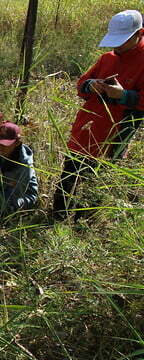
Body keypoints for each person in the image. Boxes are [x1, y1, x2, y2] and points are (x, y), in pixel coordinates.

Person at [53, 10, 144, 219]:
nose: (116, 46)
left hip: (115, 136)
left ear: (139, 33)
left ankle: (83, 225)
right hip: (85, 131)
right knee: (68, 178)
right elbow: (80, 86)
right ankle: (57, 220)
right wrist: (91, 85)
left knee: (96, 184)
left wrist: (124, 96)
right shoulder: (106, 59)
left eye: (122, 41)